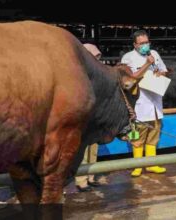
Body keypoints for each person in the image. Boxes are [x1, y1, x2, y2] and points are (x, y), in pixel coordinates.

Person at [121, 30, 168, 177]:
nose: (145, 46)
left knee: (153, 135)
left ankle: (151, 164)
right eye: (141, 43)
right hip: (139, 104)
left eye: (147, 42)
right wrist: (147, 64)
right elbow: (129, 79)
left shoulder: (154, 53)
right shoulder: (128, 58)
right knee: (137, 137)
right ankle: (137, 166)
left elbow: (164, 70)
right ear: (135, 44)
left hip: (155, 102)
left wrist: (161, 73)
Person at [74, 43, 103, 192]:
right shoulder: (78, 72)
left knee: (93, 148)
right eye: (94, 56)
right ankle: (81, 180)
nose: (97, 59)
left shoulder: (97, 72)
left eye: (98, 56)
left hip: (96, 116)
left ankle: (91, 177)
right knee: (83, 150)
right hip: (84, 117)